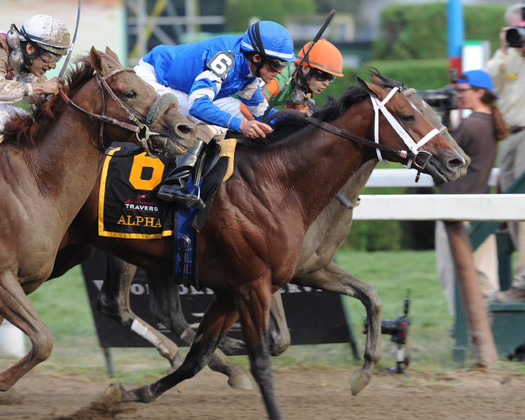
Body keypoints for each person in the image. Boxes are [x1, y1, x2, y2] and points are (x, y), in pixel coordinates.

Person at [133, 20, 296, 208]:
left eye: (284, 64)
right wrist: (241, 126)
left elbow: (260, 112)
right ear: (257, 58)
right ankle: (175, 182)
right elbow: (198, 106)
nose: (281, 71)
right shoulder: (227, 60)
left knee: (239, 115)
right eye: (277, 64)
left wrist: (301, 122)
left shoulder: (250, 69)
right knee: (214, 121)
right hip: (155, 79)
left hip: (185, 88)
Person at [435, 70, 508, 317]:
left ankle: (464, 328)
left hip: (456, 206)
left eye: (463, 91)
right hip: (478, 205)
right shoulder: (486, 121)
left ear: (480, 92)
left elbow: (442, 153)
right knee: (485, 274)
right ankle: (491, 325)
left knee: (449, 273)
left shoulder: (472, 124)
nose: (459, 96)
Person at [486, 3, 525, 303]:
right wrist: (504, 49)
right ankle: (521, 281)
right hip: (510, 136)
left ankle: (523, 283)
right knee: (513, 211)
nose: (517, 34)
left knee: (523, 210)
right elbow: (489, 86)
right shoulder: (510, 55)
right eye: (513, 29)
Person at [0, 14, 70, 132]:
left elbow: (39, 94)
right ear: (30, 48)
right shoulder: (2, 48)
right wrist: (41, 88)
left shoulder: (28, 62)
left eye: (57, 60)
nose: (53, 66)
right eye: (50, 57)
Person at [262, 39, 343, 115]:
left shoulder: (303, 87)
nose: (326, 83)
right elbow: (257, 105)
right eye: (322, 75)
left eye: (331, 78)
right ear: (305, 68)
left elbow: (296, 114)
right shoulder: (281, 79)